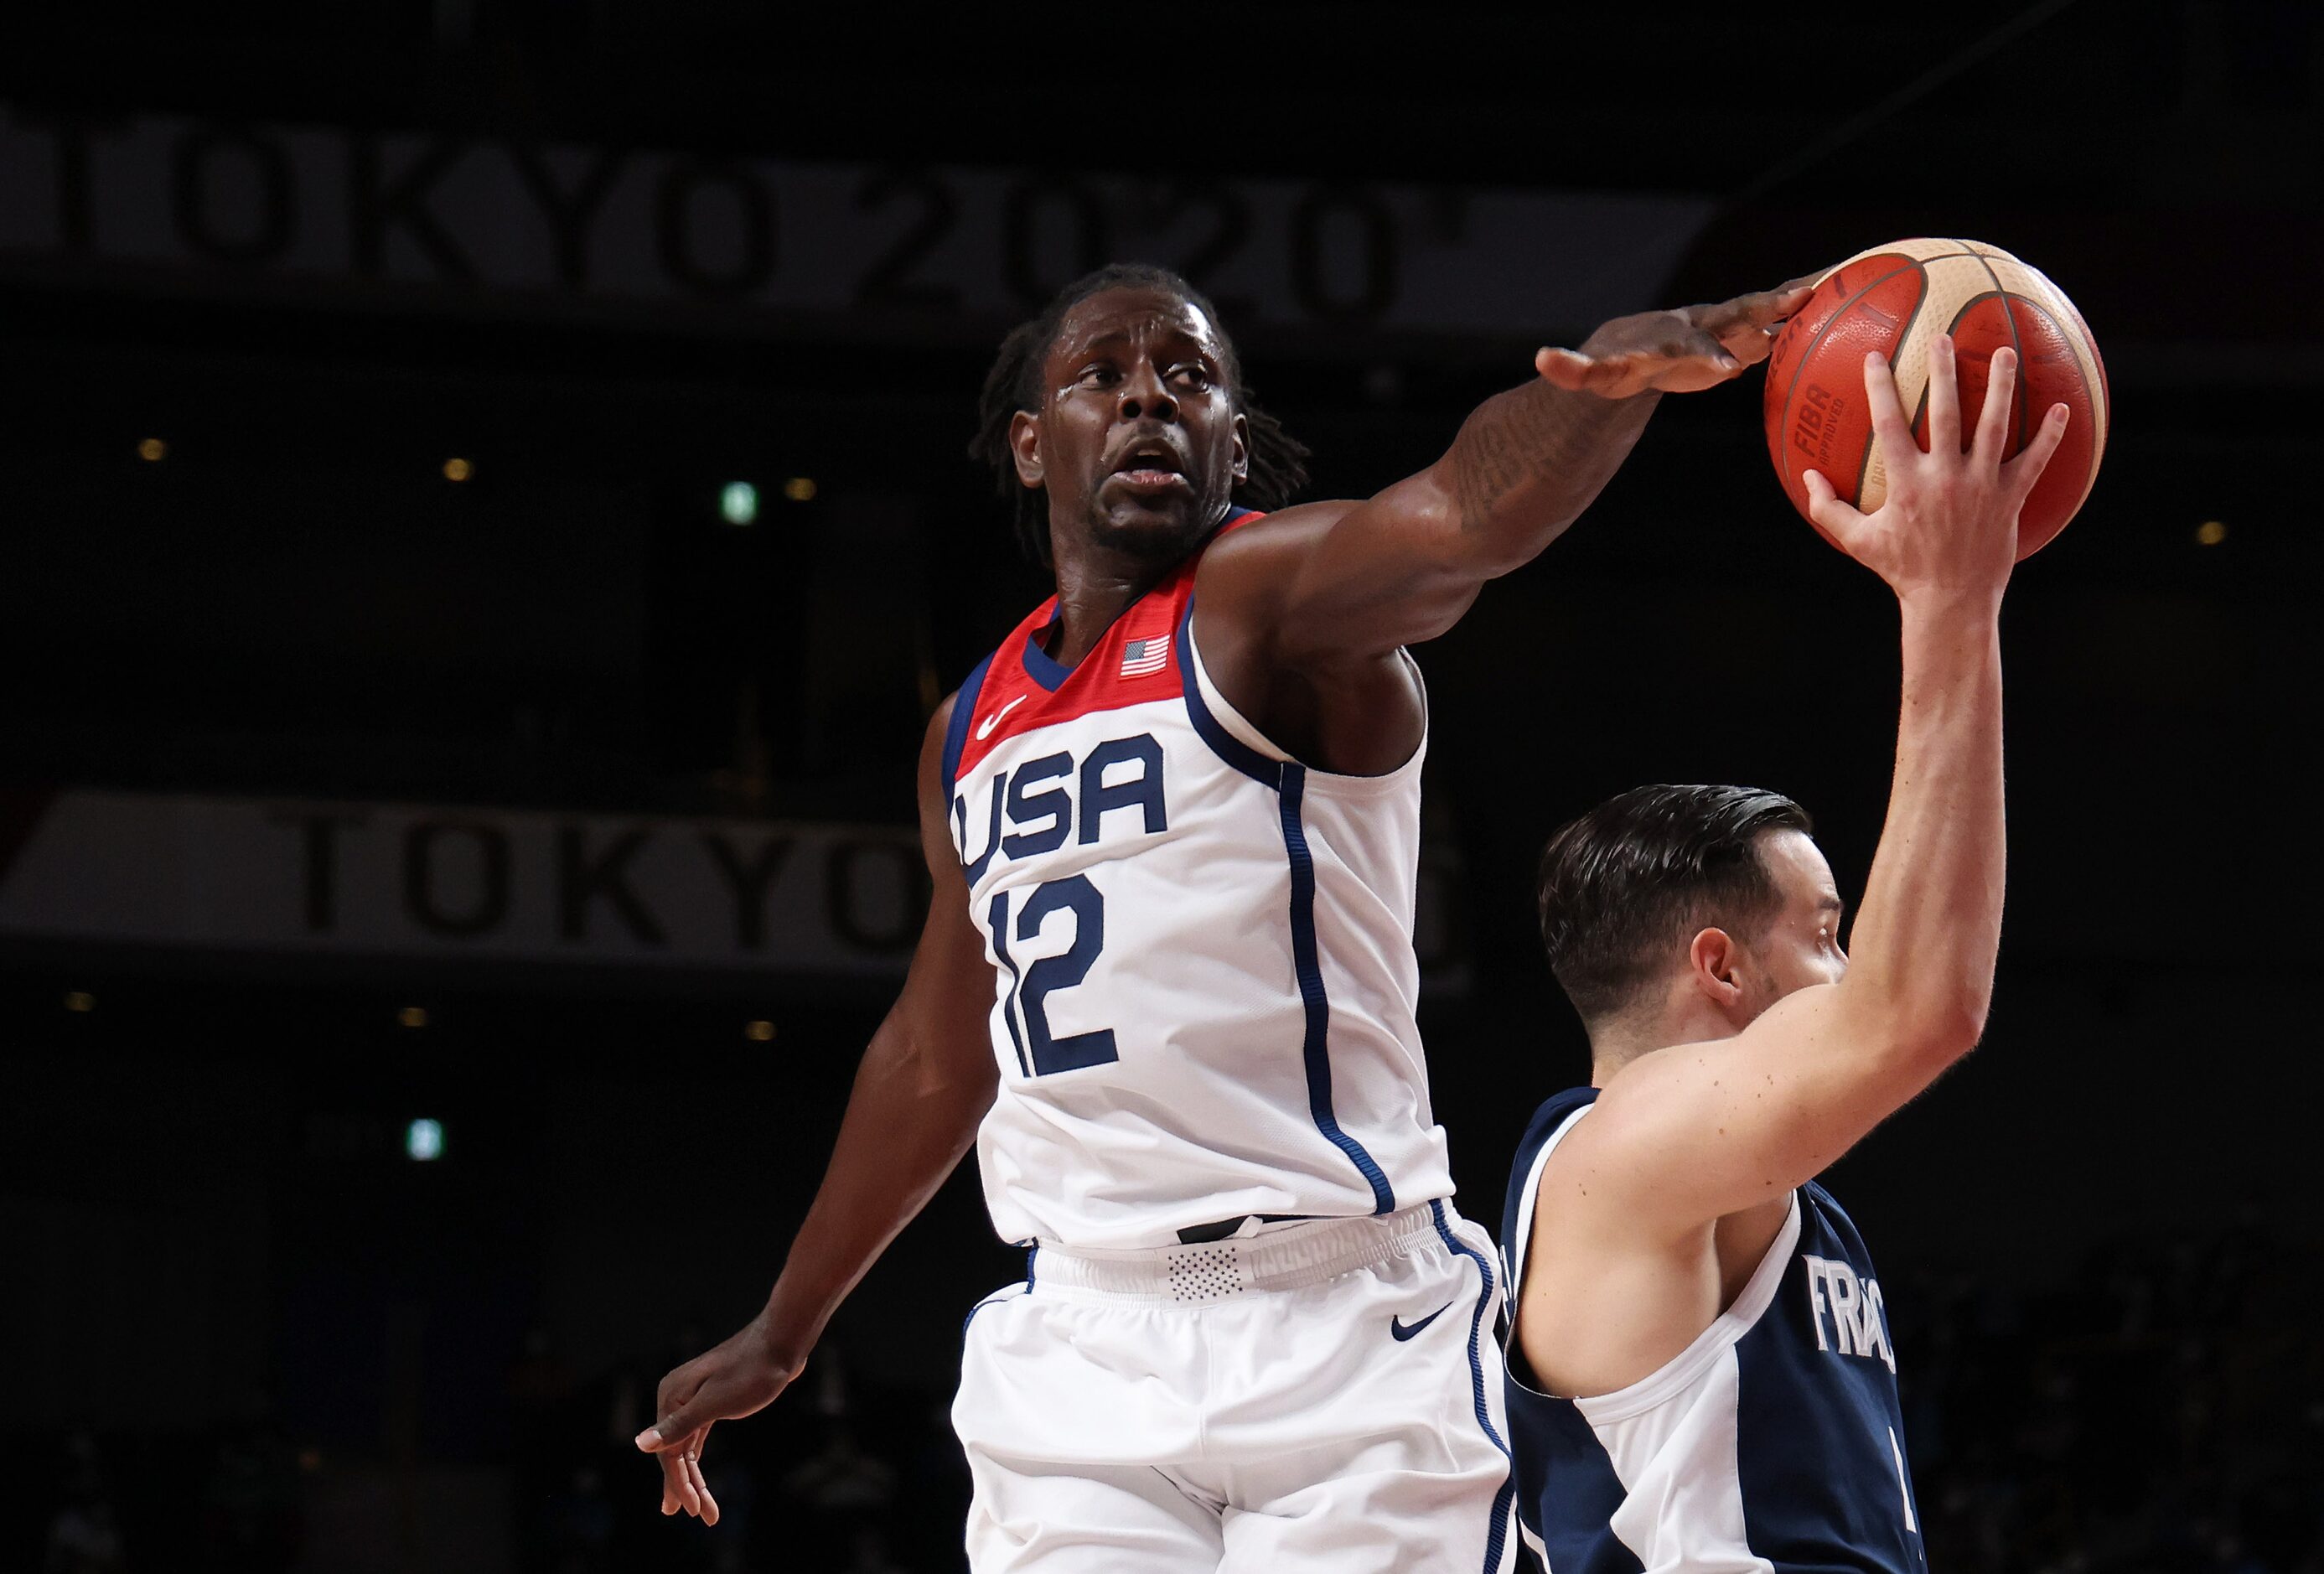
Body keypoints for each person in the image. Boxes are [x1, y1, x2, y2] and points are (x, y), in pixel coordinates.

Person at [637, 261, 1813, 1570]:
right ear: (1033, 445)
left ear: (1229, 441)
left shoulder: (1273, 602)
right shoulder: (964, 727)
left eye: (1188, 377)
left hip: (1340, 1325)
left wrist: (1612, 384)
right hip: (1084, 1341)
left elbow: (1459, 516)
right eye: (1103, 376)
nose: (1149, 395)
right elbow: (934, 1051)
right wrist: (786, 1328)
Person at [1499, 337, 2071, 1572]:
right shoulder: (1624, 1146)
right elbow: (1916, 1007)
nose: (1847, 961)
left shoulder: (1752, 1197)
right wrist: (1949, 598)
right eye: (1822, 933)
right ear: (1717, 967)